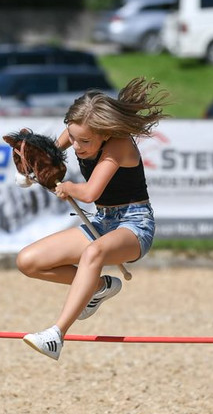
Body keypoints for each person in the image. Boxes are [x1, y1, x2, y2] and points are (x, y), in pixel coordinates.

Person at [16, 77, 169, 360]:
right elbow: (50, 154)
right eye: (73, 137)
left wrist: (67, 187)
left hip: (135, 225)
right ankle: (99, 287)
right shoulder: (79, 131)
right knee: (28, 262)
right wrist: (32, 167)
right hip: (102, 221)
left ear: (106, 133)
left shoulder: (119, 145)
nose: (76, 146)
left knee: (93, 252)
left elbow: (89, 193)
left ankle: (56, 335)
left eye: (85, 141)